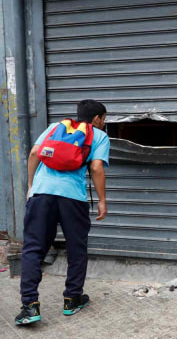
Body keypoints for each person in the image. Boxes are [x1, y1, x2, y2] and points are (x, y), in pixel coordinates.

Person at [15, 100, 110, 325]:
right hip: (72, 198)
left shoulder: (55, 127)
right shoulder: (99, 136)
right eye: (104, 119)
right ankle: (72, 299)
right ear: (97, 119)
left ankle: (29, 306)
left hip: (41, 195)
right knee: (76, 248)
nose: (104, 123)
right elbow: (96, 167)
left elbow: (35, 153)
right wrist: (102, 201)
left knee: (33, 248)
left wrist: (31, 187)